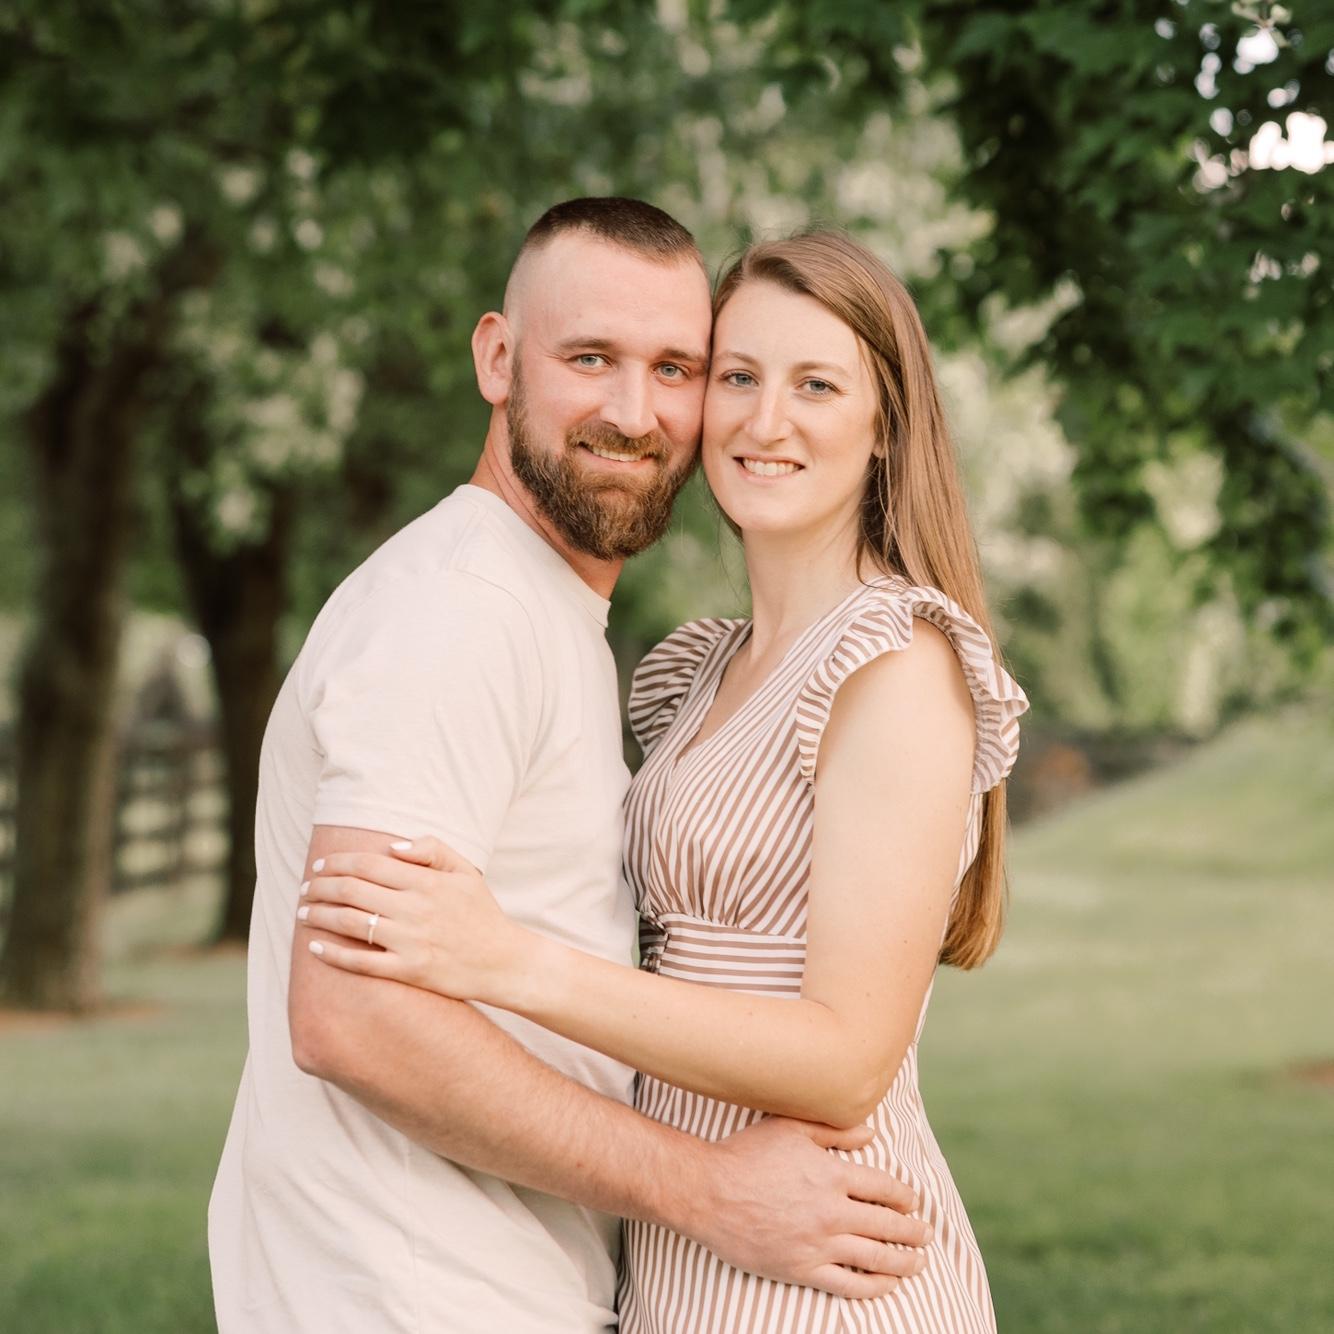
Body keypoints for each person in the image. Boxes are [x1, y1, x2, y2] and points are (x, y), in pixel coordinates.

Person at [208, 202, 931, 1334]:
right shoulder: (462, 610)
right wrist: (706, 1189)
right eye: (589, 358)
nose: (634, 413)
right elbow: (351, 1013)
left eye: (676, 368)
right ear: (498, 360)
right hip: (414, 1295)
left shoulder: (545, 613)